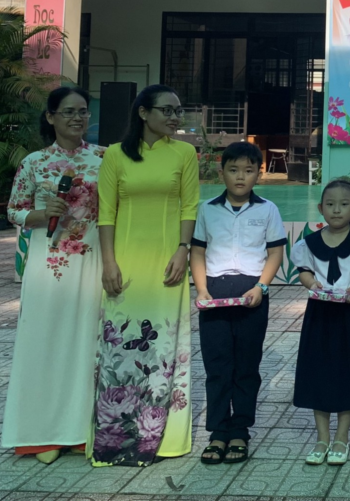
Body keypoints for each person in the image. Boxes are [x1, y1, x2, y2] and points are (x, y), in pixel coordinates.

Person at [91, 84, 199, 467]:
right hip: (126, 262)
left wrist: (183, 249)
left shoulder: (184, 153)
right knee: (119, 348)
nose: (175, 117)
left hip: (167, 262)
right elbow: (106, 213)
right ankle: (114, 440)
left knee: (164, 348)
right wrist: (108, 262)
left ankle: (161, 438)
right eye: (167, 110)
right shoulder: (115, 155)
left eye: (178, 110)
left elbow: (190, 206)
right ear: (143, 113)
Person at [2, 86, 105, 464]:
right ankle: (41, 433)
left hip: (92, 261)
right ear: (50, 117)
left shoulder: (105, 158)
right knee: (43, 341)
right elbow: (13, 210)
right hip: (47, 265)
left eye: (83, 111)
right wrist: (41, 215)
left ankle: (80, 431)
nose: (78, 118)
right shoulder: (34, 163)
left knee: (87, 342)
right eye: (68, 112)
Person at [191, 142, 286, 465]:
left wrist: (261, 286)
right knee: (217, 366)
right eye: (233, 170)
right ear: (222, 173)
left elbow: (275, 252)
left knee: (246, 366)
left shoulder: (268, 210)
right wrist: (201, 290)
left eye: (248, 170)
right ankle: (218, 432)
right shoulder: (207, 209)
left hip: (252, 292)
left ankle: (240, 432)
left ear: (258, 174)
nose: (240, 177)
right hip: (215, 291)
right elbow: (198, 251)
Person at [291, 179, 350, 466]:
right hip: (320, 313)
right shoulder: (308, 243)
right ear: (320, 208)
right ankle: (321, 438)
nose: (336, 210)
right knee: (318, 371)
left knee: (348, 371)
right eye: (330, 204)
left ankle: (342, 436)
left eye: (343, 204)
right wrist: (311, 284)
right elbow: (304, 271)